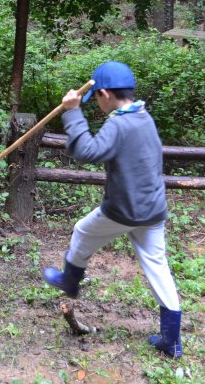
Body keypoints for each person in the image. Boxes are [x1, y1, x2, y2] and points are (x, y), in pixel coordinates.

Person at [42, 60, 183, 358]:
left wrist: (72, 112)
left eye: (98, 101)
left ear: (105, 93)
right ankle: (171, 341)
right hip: (153, 210)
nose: (98, 107)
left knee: (82, 230)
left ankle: (70, 279)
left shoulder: (119, 123)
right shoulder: (143, 116)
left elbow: (87, 151)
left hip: (124, 211)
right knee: (158, 269)